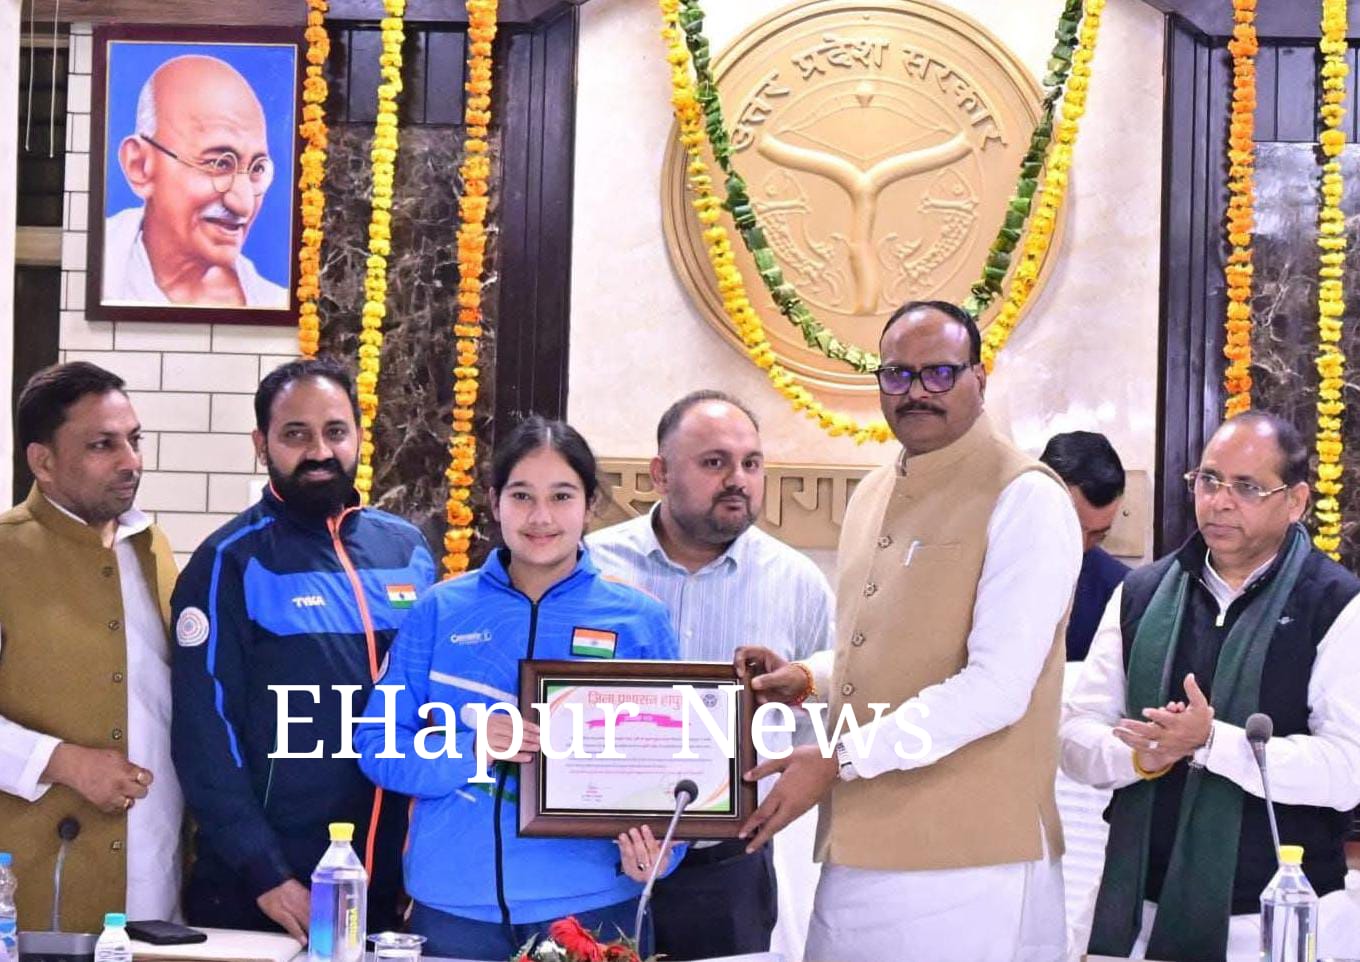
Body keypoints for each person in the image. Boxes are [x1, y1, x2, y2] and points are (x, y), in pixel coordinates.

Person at [735, 300, 1082, 962]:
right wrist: (808, 678)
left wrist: (836, 759)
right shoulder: (873, 493)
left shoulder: (1026, 497)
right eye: (897, 374)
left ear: (980, 377)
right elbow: (894, 651)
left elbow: (996, 688)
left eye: (939, 373)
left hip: (968, 858)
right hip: (861, 838)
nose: (917, 391)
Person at [356, 416, 685, 962]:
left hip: (592, 910)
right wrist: (472, 747)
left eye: (561, 496)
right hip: (453, 910)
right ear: (494, 501)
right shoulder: (440, 611)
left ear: (590, 504)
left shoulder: (638, 620)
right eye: (522, 495)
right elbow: (376, 745)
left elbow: (680, 765)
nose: (541, 517)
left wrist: (662, 853)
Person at [1061, 412, 1360, 962]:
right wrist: (1143, 756)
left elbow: (1348, 770)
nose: (1219, 502)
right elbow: (1075, 737)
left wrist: (1212, 743)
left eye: (1247, 487)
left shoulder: (1335, 605)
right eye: (1209, 480)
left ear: (1295, 501)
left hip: (1275, 916)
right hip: (1138, 911)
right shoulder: (1141, 594)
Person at [171, 357, 435, 939]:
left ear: (360, 436)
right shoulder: (229, 562)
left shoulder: (408, 550)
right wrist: (264, 873)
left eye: (335, 431)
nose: (319, 451)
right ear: (261, 444)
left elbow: (434, 706)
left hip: (392, 885)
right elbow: (203, 735)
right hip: (269, 893)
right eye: (296, 434)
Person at [586, 389, 834, 960]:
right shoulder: (592, 567)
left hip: (727, 871)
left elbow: (830, 716)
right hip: (596, 861)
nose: (737, 480)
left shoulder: (796, 583)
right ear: (660, 474)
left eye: (751, 463)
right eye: (714, 462)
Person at [0, 362, 182, 931]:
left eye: (134, 440)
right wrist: (61, 761)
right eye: (103, 445)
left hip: (157, 877)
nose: (131, 461)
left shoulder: (152, 548)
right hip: (35, 882)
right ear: (43, 462)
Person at [105, 54, 286, 308]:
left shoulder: (272, 301)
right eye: (219, 163)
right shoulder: (99, 265)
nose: (244, 204)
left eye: (257, 169)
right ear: (140, 165)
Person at [1040, 431, 1131, 660]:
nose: (1080, 546)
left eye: (1098, 535)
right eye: (1071, 526)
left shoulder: (1121, 590)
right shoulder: (984, 563)